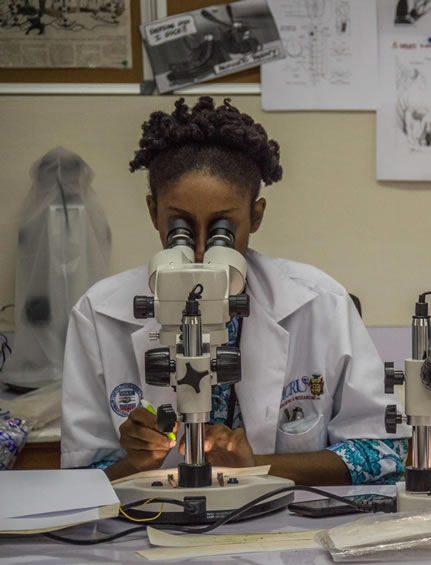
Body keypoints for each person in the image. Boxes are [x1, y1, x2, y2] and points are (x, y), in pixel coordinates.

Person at [61, 96, 410, 485]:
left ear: (256, 216)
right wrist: (136, 462)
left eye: (222, 229)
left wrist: (257, 468)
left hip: (283, 530)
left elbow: (386, 453)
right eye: (180, 225)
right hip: (146, 529)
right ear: (152, 211)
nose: (199, 249)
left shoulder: (319, 303)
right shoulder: (99, 313)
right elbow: (78, 481)